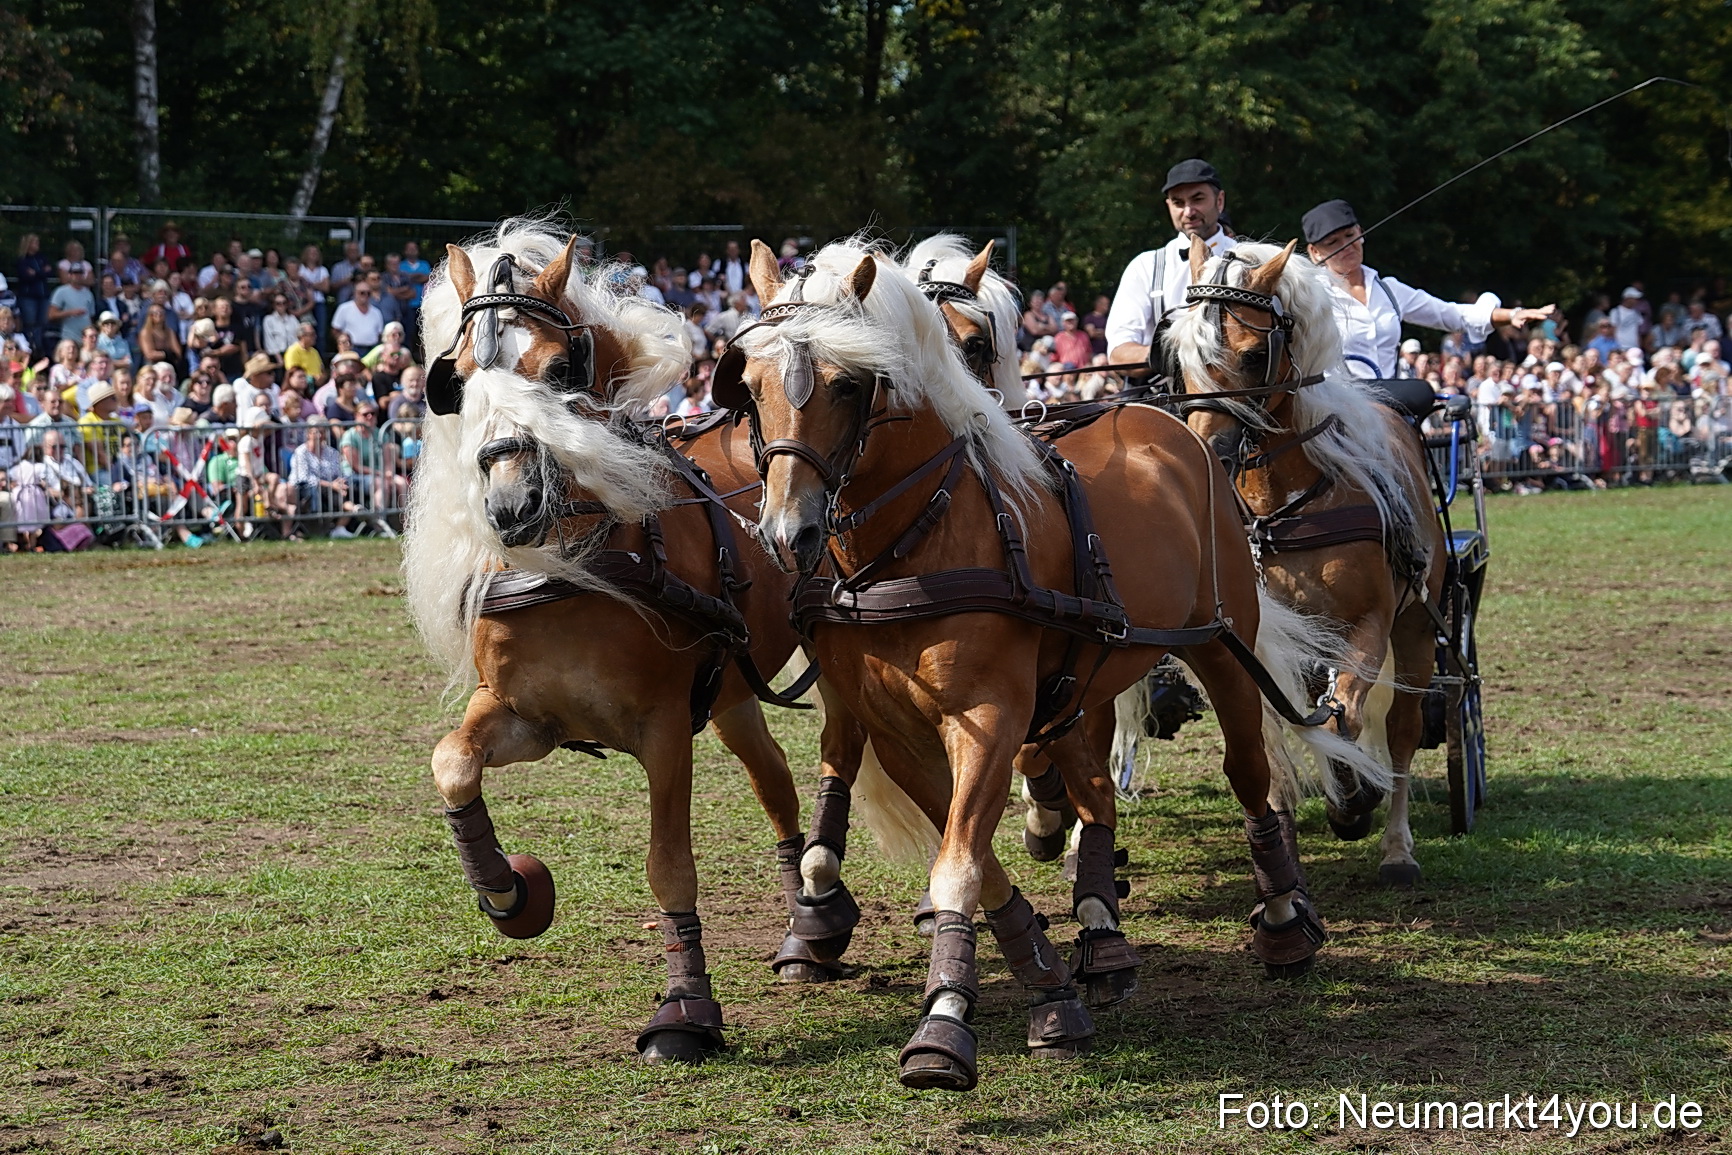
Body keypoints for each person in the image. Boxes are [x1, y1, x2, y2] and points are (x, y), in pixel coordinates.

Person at [1300, 198, 1555, 378]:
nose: (1346, 247)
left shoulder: (1390, 290)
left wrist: (1511, 315)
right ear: (1314, 253)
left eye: (1350, 236)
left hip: (1388, 403)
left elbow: (1451, 315)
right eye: (1333, 243)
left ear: (1361, 232)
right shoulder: (1310, 297)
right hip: (1336, 404)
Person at [1105, 158, 1239, 374]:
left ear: (1220, 201)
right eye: (1178, 202)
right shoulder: (1145, 267)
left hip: (1239, 396)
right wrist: (1174, 352)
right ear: (1169, 207)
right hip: (1161, 399)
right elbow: (1119, 354)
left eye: (1197, 199)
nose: (1188, 211)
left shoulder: (1251, 261)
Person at [331, 283, 385, 354]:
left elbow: (380, 334)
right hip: (352, 349)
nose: (365, 295)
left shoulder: (377, 312)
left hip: (372, 349)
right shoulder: (344, 309)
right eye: (362, 293)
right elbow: (335, 330)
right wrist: (344, 344)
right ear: (355, 293)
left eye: (368, 293)